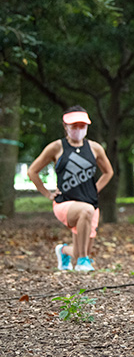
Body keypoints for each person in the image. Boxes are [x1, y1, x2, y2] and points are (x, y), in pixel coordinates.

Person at [27, 106, 114, 272]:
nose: (78, 130)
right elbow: (32, 171)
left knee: (84, 246)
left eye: (82, 126)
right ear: (65, 126)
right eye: (74, 126)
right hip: (65, 203)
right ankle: (82, 261)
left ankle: (64, 251)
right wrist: (47, 193)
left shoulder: (95, 148)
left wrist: (95, 189)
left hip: (90, 202)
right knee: (85, 213)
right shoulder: (56, 147)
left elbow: (108, 172)